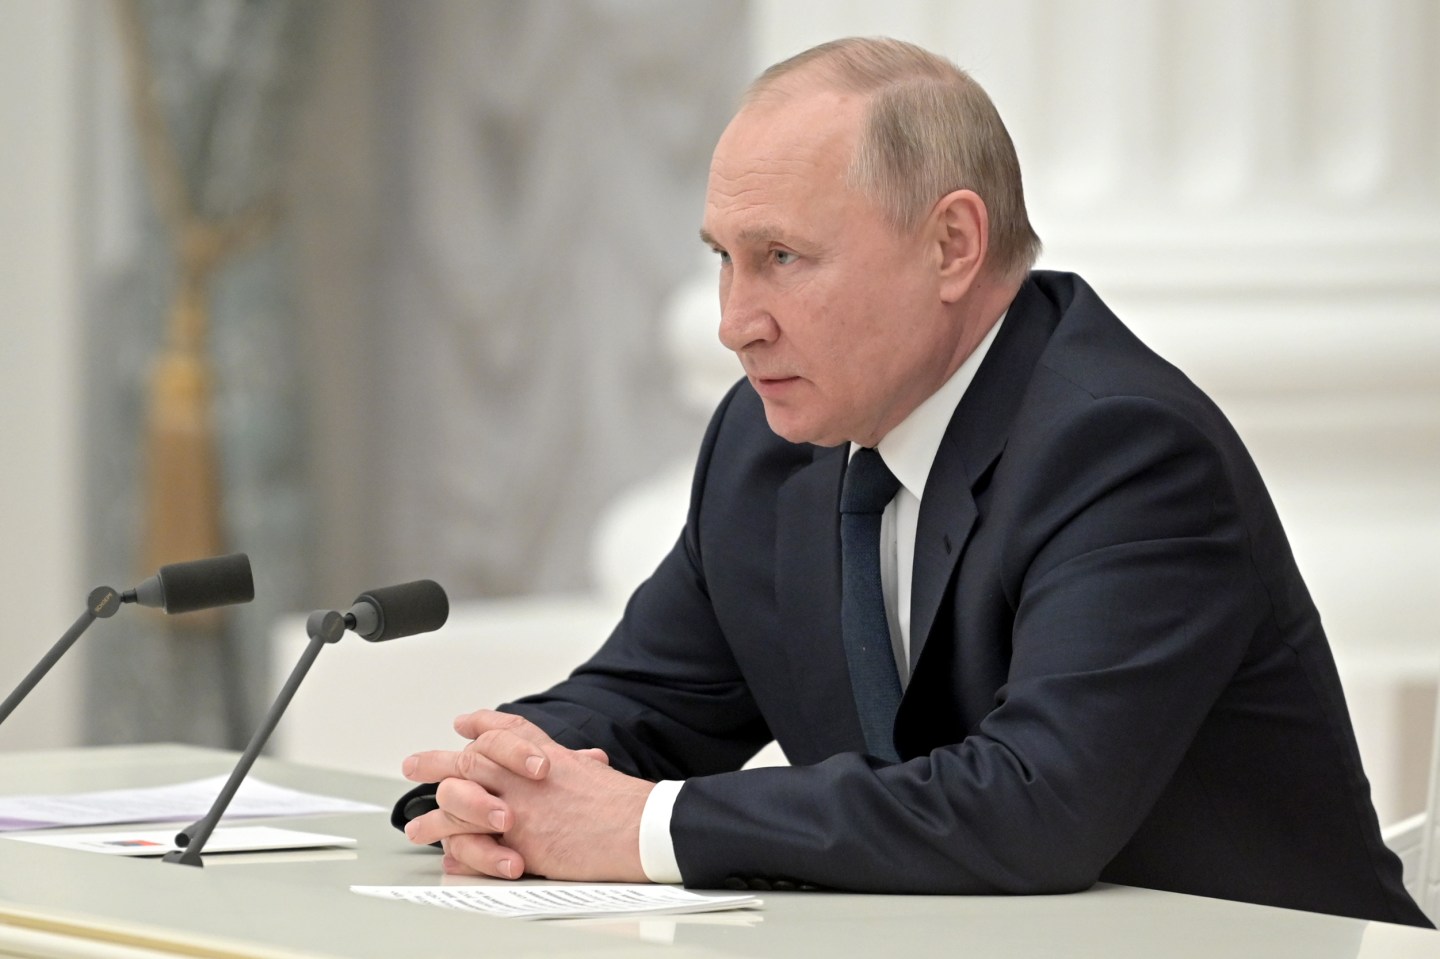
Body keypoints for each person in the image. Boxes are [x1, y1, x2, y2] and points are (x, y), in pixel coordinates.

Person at [394, 37, 1430, 927]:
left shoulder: (1124, 449)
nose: (734, 320)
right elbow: (645, 699)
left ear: (952, 244)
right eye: (724, 257)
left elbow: (1034, 805)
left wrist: (645, 827)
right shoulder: (769, 444)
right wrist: (495, 787)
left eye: (784, 257)